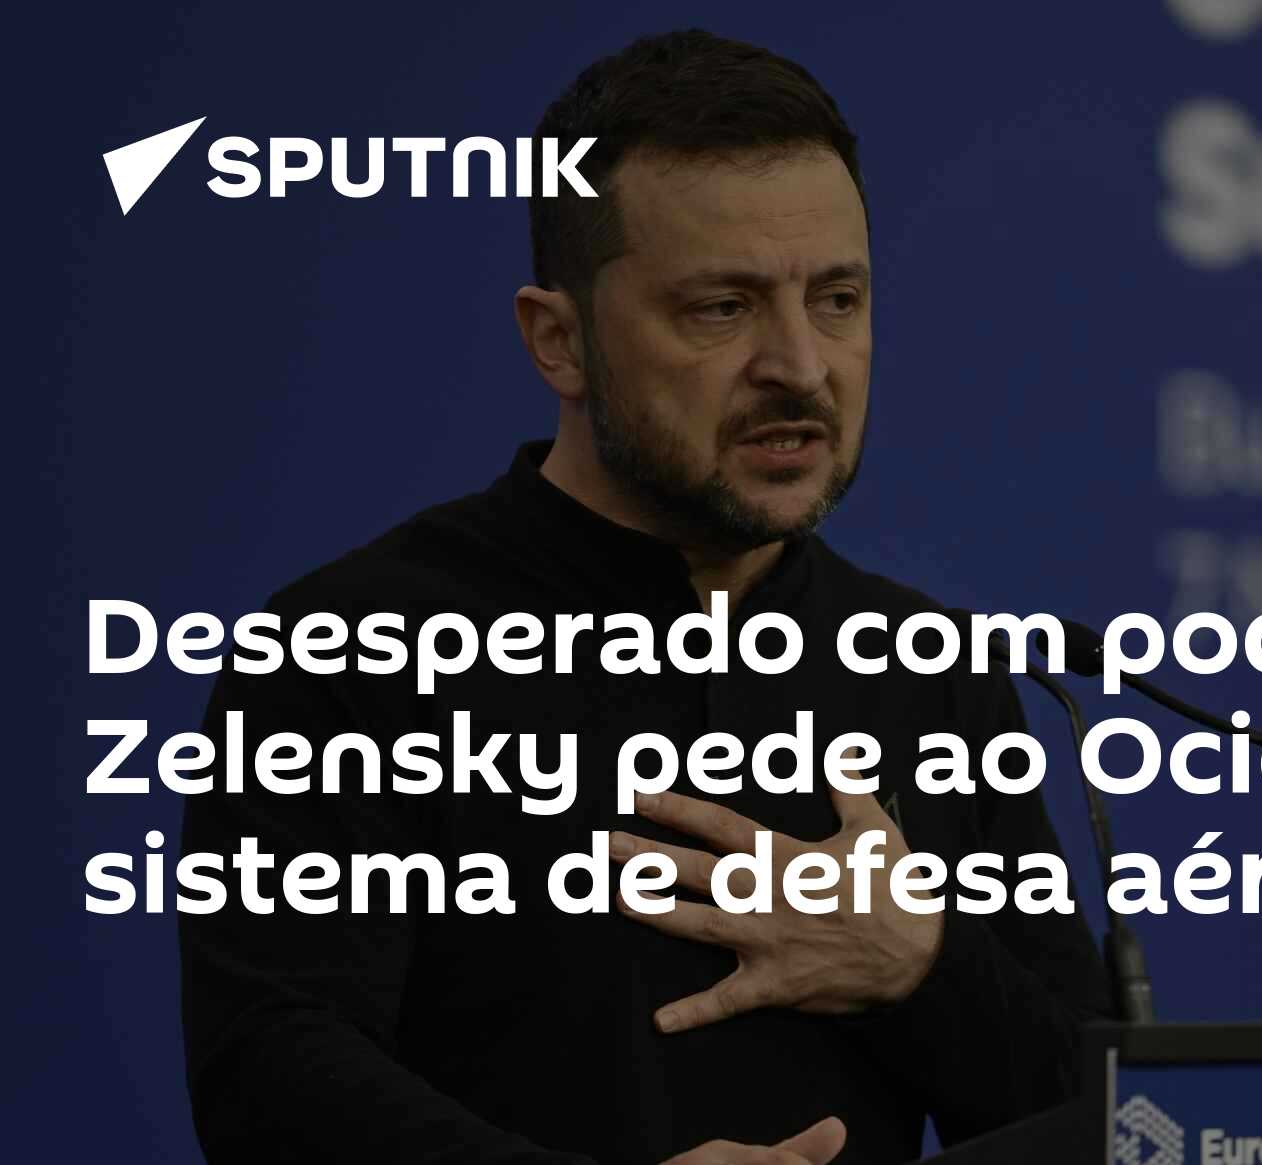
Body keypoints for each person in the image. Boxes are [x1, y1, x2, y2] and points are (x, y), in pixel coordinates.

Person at [179, 28, 1110, 1165]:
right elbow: (270, 1081)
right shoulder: (353, 647)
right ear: (558, 341)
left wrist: (918, 965)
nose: (800, 366)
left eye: (837, 299)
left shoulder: (932, 670)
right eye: (722, 308)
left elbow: (1110, 1119)